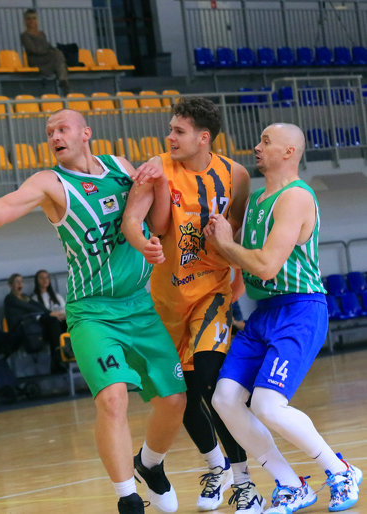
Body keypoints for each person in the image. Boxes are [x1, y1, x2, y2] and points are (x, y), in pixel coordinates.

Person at [0, 108, 186, 514]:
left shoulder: (121, 167)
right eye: (49, 132)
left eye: (62, 129)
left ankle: (150, 464)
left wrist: (158, 187)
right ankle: (128, 498)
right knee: (113, 399)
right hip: (93, 313)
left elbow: (156, 219)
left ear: (86, 133)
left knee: (174, 401)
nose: (54, 136)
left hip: (140, 305)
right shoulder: (49, 183)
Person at [204, 123, 362, 513]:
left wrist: (225, 243)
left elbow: (266, 265)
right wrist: (220, 244)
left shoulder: (296, 197)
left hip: (300, 310)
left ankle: (338, 469)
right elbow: (243, 260)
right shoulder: (256, 200)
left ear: (289, 151)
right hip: (264, 313)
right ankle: (291, 484)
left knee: (267, 405)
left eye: (266, 141)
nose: (256, 147)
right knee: (224, 399)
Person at [123, 97, 261, 513]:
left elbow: (235, 232)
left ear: (204, 137)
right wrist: (143, 243)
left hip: (211, 292)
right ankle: (216, 466)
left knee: (212, 381)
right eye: (170, 129)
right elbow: (132, 220)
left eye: (178, 131)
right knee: (179, 392)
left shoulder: (236, 175)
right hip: (166, 300)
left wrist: (237, 275)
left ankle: (244, 482)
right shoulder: (157, 166)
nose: (169, 136)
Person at [3, 273, 62, 373]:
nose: (20, 284)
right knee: (52, 321)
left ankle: (63, 356)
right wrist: (50, 314)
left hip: (32, 328)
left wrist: (52, 313)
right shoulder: (10, 299)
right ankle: (57, 360)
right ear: (10, 285)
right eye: (17, 282)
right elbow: (30, 308)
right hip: (21, 331)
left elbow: (39, 306)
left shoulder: (25, 297)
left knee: (58, 322)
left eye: (21, 281)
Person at [20, 9, 70, 95]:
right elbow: (33, 50)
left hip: (46, 57)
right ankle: (63, 80)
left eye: (34, 18)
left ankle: (63, 80)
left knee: (58, 54)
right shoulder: (25, 36)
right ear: (25, 21)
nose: (32, 21)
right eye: (29, 19)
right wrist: (47, 50)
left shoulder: (41, 33)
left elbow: (48, 45)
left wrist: (50, 50)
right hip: (35, 59)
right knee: (58, 57)